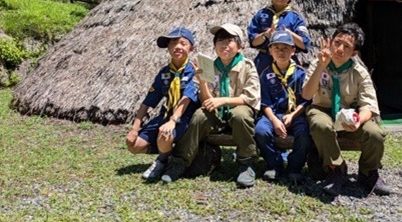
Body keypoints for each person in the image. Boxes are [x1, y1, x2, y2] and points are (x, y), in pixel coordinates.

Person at [161, 23, 261, 188]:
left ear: (240, 46)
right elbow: (207, 101)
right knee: (199, 116)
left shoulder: (247, 66)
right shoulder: (210, 66)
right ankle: (179, 162)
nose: (224, 45)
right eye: (220, 41)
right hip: (218, 114)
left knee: (241, 114)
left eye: (229, 41)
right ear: (215, 46)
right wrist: (202, 83)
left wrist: (223, 100)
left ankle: (246, 163)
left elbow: (251, 97)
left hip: (238, 110)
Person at [302, 22, 391, 197]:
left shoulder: (359, 72)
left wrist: (358, 121)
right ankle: (336, 169)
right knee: (320, 123)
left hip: (350, 115)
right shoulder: (318, 63)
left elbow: (369, 106)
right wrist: (321, 66)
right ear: (330, 42)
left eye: (347, 46)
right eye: (337, 43)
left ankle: (368, 172)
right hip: (323, 110)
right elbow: (306, 95)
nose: (339, 49)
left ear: (355, 53)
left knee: (375, 133)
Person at [125, 26, 200, 182]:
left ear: (191, 48)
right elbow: (148, 102)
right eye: (172, 44)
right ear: (168, 48)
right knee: (134, 145)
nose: (177, 47)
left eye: (182, 43)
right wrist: (134, 128)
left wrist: (173, 121)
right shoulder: (165, 72)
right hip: (165, 115)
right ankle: (167, 152)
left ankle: (162, 160)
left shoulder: (194, 70)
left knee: (165, 134)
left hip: (185, 117)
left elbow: (187, 98)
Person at [255, 30, 313, 184]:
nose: (281, 52)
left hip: (295, 115)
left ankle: (294, 167)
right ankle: (274, 164)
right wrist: (274, 120)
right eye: (277, 48)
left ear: (293, 50)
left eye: (286, 48)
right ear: (270, 51)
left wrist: (292, 116)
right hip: (272, 115)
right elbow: (264, 103)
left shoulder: (301, 74)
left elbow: (306, 100)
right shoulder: (265, 74)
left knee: (304, 133)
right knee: (260, 130)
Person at [248, 0, 311, 76]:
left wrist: (288, 33)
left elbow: (305, 44)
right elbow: (253, 41)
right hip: (264, 60)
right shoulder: (261, 14)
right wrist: (266, 34)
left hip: (287, 60)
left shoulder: (295, 17)